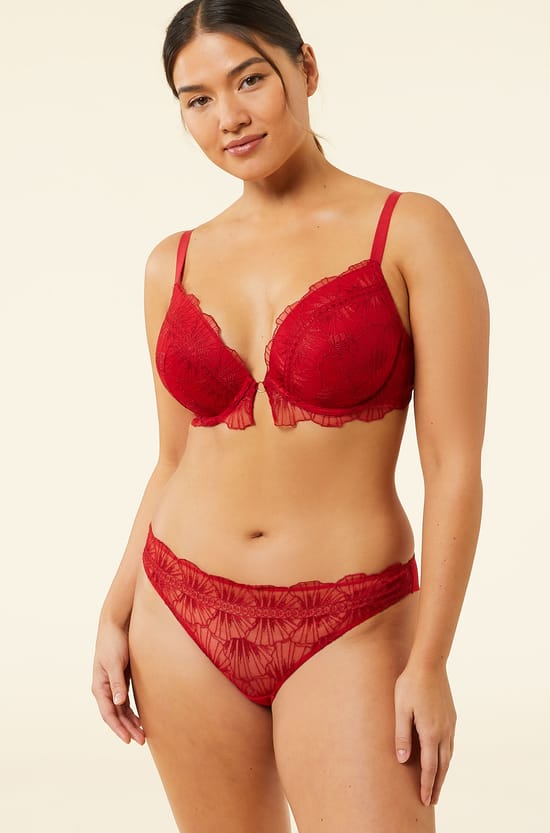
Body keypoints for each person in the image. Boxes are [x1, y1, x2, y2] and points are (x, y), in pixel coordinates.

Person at [92, 1, 489, 831]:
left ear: (304, 68)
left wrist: (431, 661)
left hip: (353, 623)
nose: (228, 117)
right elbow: (174, 459)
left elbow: (453, 467)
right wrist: (116, 606)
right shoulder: (172, 263)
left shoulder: (409, 231)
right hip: (180, 613)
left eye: (249, 80)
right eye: (198, 99)